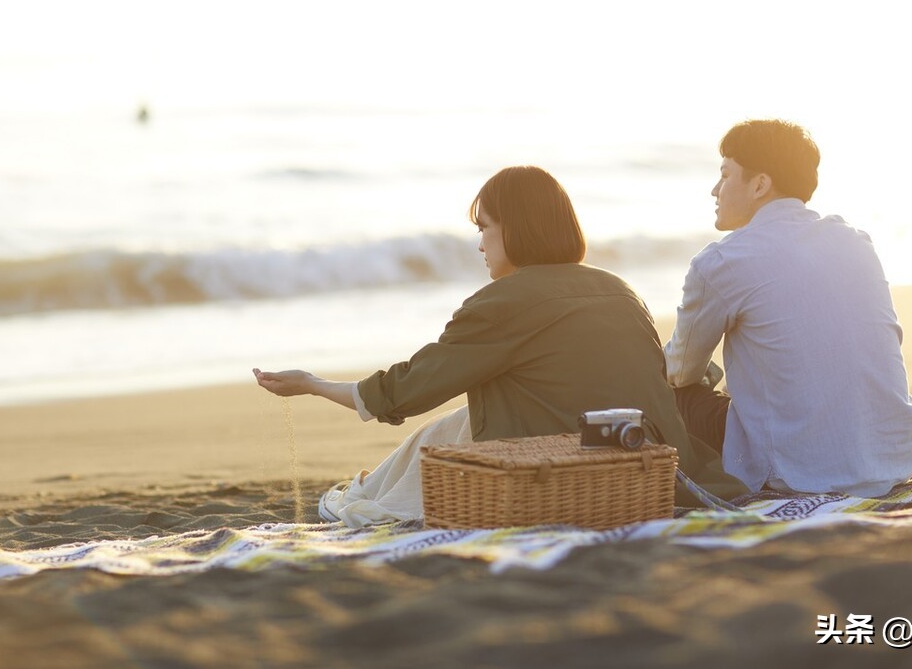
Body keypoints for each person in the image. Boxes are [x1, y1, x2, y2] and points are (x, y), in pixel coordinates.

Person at [256, 165, 742, 524]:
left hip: (556, 470)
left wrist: (313, 384)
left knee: (425, 450)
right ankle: (367, 488)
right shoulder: (619, 288)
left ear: (517, 228)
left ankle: (363, 495)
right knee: (457, 423)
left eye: (485, 227)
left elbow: (405, 391)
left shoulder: (500, 302)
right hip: (650, 465)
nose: (480, 243)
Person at [664, 119, 912, 498]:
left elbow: (679, 372)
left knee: (673, 394)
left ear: (759, 184)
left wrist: (701, 372)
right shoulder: (855, 242)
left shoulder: (722, 262)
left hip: (799, 473)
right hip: (894, 460)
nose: (715, 190)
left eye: (725, 175)